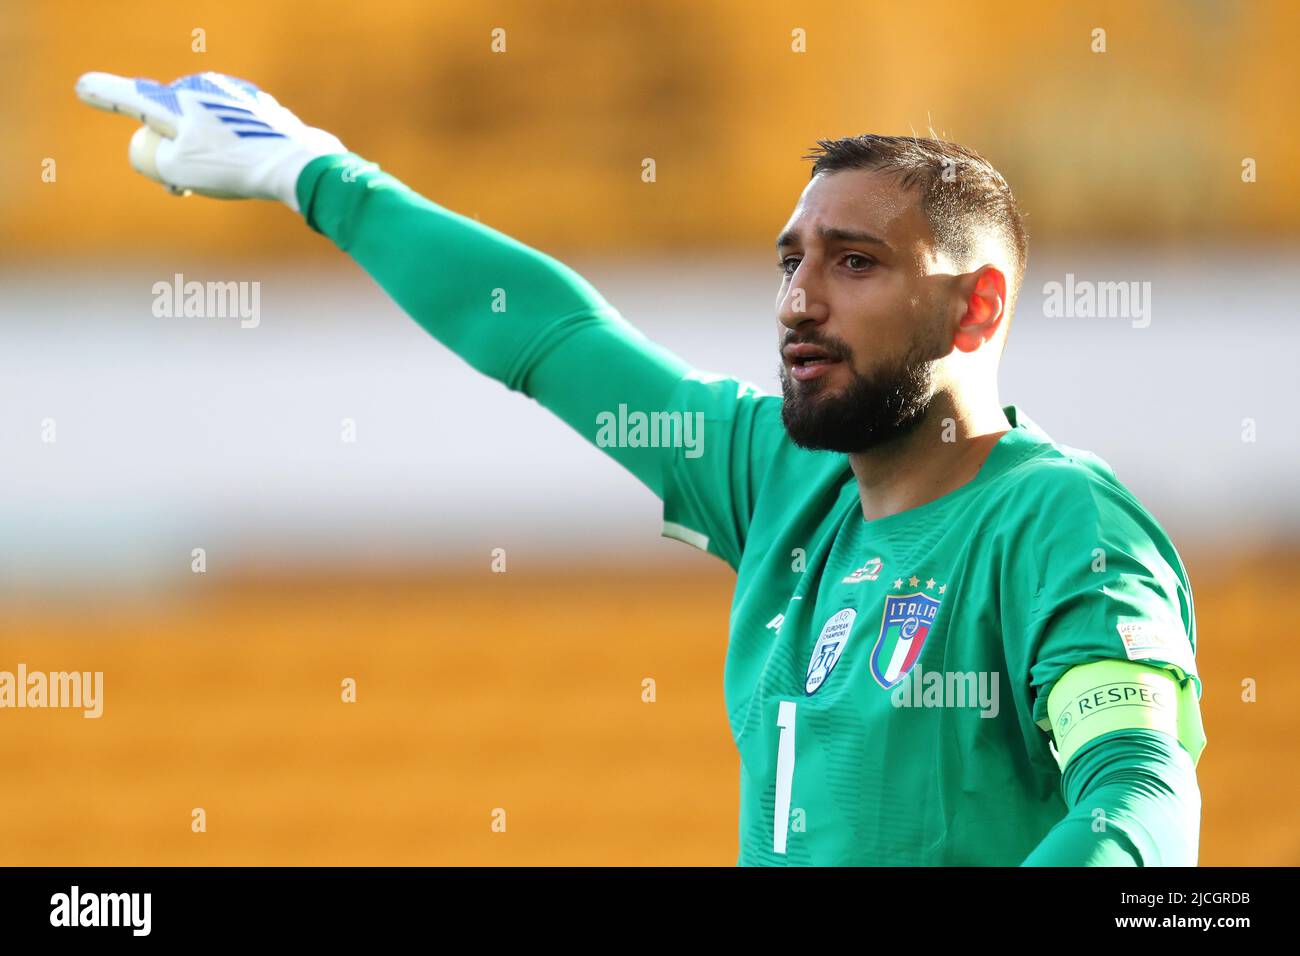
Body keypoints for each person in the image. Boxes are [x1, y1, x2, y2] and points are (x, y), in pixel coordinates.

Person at [77, 70, 1206, 866]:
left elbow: (1140, 801)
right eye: (789, 261)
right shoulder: (783, 481)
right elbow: (555, 339)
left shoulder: (1062, 522)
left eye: (854, 263)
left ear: (977, 304)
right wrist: (319, 175)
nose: (799, 299)